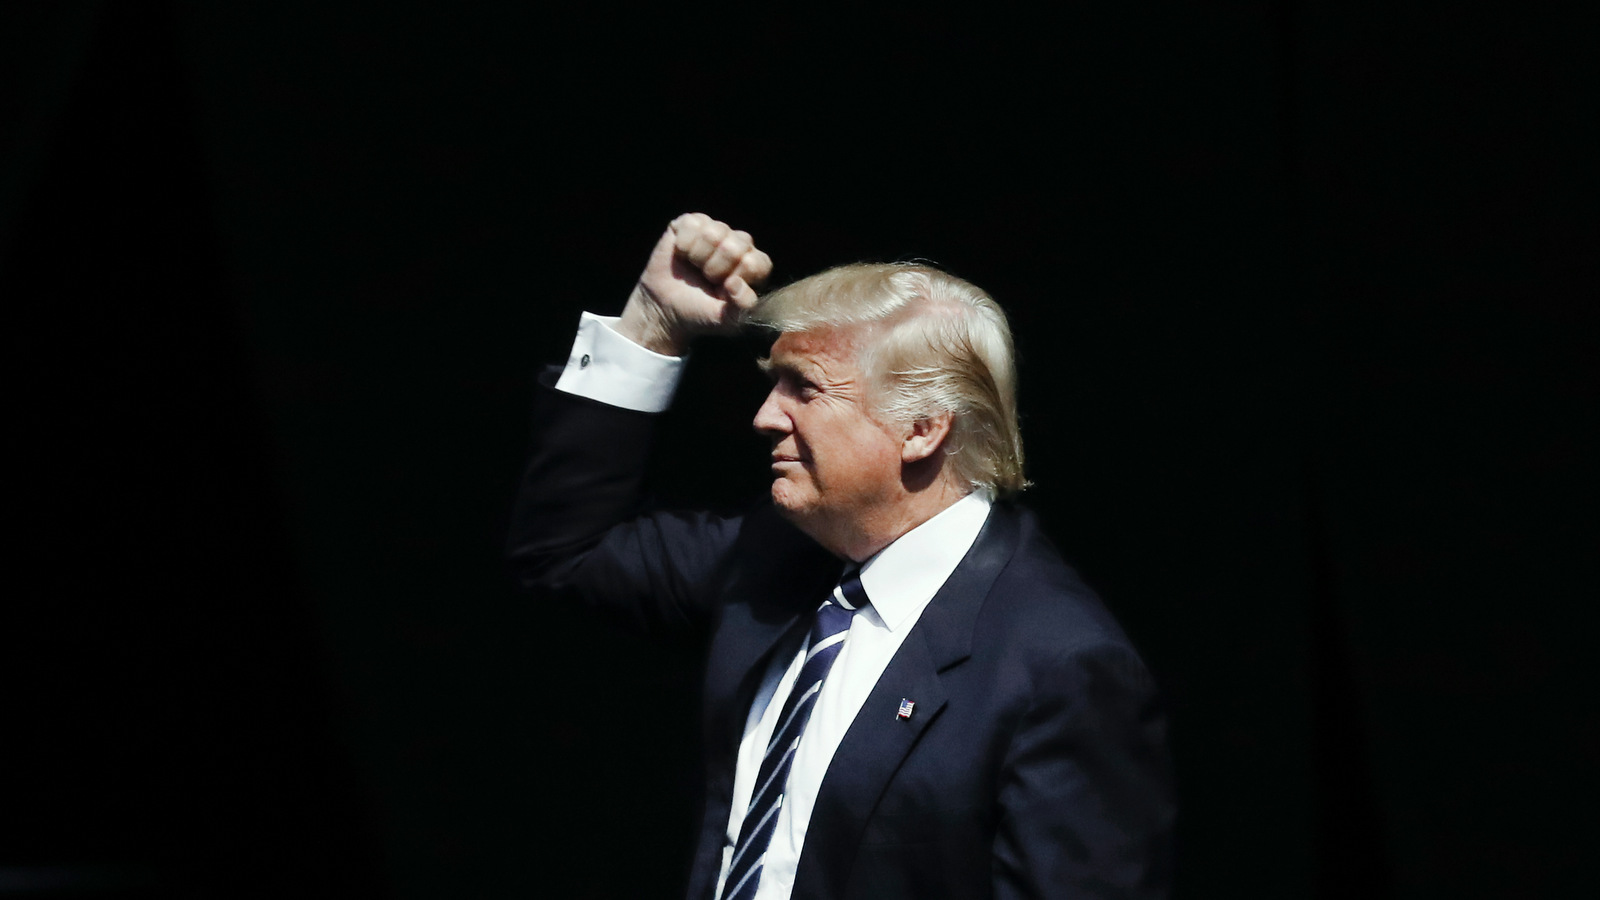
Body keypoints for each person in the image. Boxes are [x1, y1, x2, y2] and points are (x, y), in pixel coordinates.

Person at [508, 213, 1174, 899]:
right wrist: (651, 320)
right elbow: (567, 553)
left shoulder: (1060, 666)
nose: (767, 416)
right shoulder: (776, 561)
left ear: (921, 429)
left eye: (805, 387)